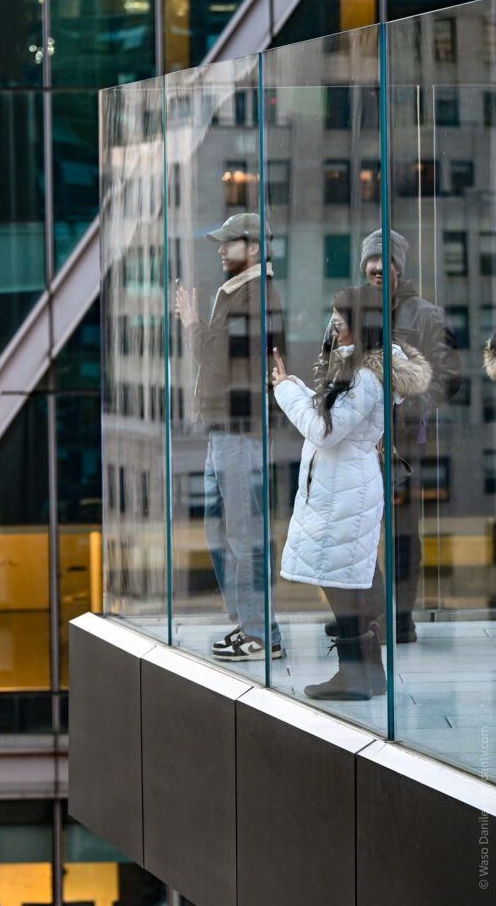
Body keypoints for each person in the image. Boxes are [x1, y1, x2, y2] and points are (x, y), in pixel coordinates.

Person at [272, 286, 431, 700]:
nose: (334, 326)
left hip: (344, 489)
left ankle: (356, 676)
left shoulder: (366, 375)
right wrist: (295, 385)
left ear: (360, 325)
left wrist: (285, 392)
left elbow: (324, 430)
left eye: (340, 319)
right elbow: (333, 415)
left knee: (343, 584)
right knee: (343, 582)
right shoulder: (360, 367)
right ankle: (364, 674)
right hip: (340, 486)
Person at [175, 212, 286, 662]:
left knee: (242, 533)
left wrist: (191, 323)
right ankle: (251, 626)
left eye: (228, 243)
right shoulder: (241, 292)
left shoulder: (255, 295)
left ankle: (261, 633)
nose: (220, 249)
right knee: (221, 530)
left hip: (239, 432)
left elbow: (216, 359)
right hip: (225, 430)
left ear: (254, 249)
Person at [356, 229, 461, 642]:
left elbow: (449, 378)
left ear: (401, 266)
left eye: (387, 261)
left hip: (404, 446)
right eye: (371, 261)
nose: (378, 268)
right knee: (359, 529)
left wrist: (407, 406)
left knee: (401, 535)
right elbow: (330, 364)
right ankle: (372, 613)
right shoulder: (353, 310)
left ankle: (399, 620)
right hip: (359, 442)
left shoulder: (428, 315)